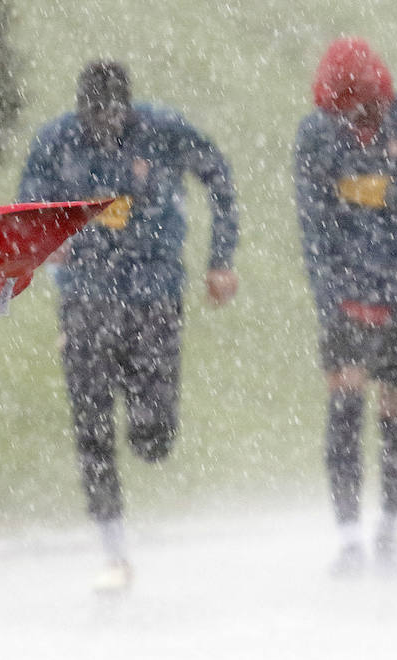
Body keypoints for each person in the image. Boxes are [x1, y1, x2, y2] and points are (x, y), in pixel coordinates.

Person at [17, 60, 240, 592]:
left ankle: (150, 427)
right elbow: (27, 203)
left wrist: (221, 258)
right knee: (92, 425)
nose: (104, 126)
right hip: (86, 299)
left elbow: (218, 177)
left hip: (153, 294)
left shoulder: (163, 131)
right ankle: (114, 551)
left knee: (152, 435)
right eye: (93, 116)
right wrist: (47, 238)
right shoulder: (56, 141)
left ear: (128, 108)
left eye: (113, 115)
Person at [293, 37, 397, 576]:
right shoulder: (315, 136)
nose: (360, 118)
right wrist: (334, 298)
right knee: (346, 403)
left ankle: (388, 526)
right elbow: (315, 226)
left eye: (369, 107)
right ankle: (349, 534)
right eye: (348, 109)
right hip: (347, 294)